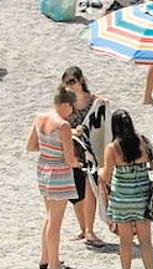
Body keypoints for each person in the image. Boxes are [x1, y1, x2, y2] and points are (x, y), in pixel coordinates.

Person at [100, 110, 153, 269]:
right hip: (142, 198)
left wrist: (99, 171)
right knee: (146, 241)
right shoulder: (144, 142)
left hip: (122, 200)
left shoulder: (113, 148)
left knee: (125, 242)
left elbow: (107, 175)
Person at [27, 87, 81, 269]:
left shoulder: (40, 117)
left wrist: (50, 149)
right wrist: (78, 163)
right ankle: (55, 264)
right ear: (66, 105)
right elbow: (69, 159)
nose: (72, 111)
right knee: (56, 221)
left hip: (43, 168)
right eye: (71, 107)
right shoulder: (63, 125)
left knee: (49, 216)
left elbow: (31, 146)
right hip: (59, 173)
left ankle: (45, 257)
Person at [62, 67, 108, 248]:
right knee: (76, 194)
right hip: (72, 150)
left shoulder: (94, 101)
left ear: (81, 80)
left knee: (90, 191)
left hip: (91, 151)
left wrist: (103, 104)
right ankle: (84, 229)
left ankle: (89, 230)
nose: (70, 86)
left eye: (73, 82)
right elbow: (58, 123)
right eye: (67, 83)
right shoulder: (66, 102)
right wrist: (73, 131)